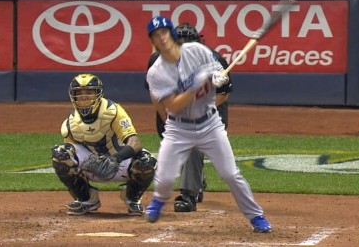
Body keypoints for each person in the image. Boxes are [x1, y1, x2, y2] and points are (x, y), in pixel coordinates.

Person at [143, 16, 272, 233]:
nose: (162, 38)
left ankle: (256, 216)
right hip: (178, 128)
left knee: (231, 174)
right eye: (157, 35)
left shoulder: (198, 51)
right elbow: (173, 106)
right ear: (153, 41)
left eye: (164, 32)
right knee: (164, 178)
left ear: (171, 33)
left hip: (210, 125)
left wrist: (215, 78)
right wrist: (194, 86)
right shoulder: (156, 72)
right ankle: (158, 199)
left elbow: (214, 74)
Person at [144, 22, 233, 213]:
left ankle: (188, 195)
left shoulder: (212, 58)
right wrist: (167, 116)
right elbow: (155, 95)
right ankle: (196, 181)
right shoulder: (158, 60)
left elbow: (223, 93)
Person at [52, 73, 157, 216]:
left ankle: (132, 197)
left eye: (89, 93)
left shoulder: (113, 112)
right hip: (93, 166)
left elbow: (135, 142)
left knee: (147, 161)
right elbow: (72, 157)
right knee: (61, 153)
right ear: (73, 96)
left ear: (98, 94)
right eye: (79, 93)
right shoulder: (70, 123)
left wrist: (115, 158)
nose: (84, 97)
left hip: (119, 163)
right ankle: (87, 199)